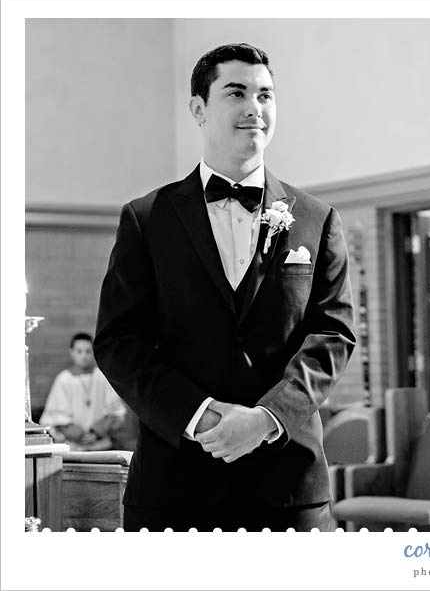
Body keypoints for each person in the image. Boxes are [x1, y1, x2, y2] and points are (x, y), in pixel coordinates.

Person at [94, 43, 356, 532]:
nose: (254, 108)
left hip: (288, 488)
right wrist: (197, 416)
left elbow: (333, 336)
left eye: (265, 95)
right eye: (236, 92)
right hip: (174, 486)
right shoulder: (147, 220)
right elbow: (117, 342)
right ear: (199, 108)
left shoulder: (317, 221)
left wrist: (266, 418)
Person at [40, 332, 127, 451]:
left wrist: (96, 432)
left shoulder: (102, 377)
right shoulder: (64, 379)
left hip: (100, 445)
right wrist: (79, 434)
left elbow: (115, 411)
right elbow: (56, 417)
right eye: (79, 351)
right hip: (73, 446)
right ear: (71, 352)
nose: (84, 356)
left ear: (93, 352)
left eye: (88, 351)